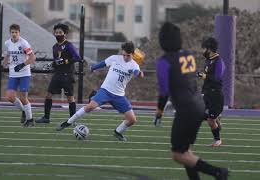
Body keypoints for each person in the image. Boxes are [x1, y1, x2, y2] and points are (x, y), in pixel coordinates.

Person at [156, 22, 228, 180]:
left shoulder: (164, 61)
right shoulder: (187, 54)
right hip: (198, 104)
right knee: (185, 152)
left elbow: (164, 93)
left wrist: (159, 113)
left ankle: (217, 172)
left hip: (186, 110)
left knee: (178, 154)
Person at [56, 41, 144, 141]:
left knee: (132, 120)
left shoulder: (134, 65)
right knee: (90, 106)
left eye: (127, 55)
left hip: (119, 95)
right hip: (105, 90)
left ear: (133, 54)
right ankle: (68, 122)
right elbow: (104, 63)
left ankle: (118, 132)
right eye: (123, 55)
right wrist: (93, 67)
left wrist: (139, 74)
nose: (124, 57)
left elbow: (137, 72)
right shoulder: (115, 58)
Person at [35, 23, 81, 124]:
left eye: (60, 32)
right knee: (48, 95)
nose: (58, 34)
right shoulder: (54, 47)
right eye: (56, 32)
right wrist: (52, 64)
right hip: (57, 74)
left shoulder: (69, 45)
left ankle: (72, 120)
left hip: (67, 75)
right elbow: (57, 61)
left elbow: (77, 57)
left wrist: (65, 61)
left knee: (70, 98)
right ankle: (46, 118)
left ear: (65, 33)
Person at [2, 24, 36, 127]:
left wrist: (22, 65)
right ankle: (24, 111)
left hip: (24, 73)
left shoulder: (23, 43)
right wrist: (4, 62)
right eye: (12, 32)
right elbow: (8, 54)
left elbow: (32, 57)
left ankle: (30, 120)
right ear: (10, 33)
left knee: (23, 97)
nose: (14, 34)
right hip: (13, 73)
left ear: (19, 33)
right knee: (10, 97)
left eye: (16, 32)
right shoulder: (7, 43)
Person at [197, 37, 225, 147]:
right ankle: (216, 118)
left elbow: (217, 78)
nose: (202, 51)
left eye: (203, 48)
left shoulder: (219, 61)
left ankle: (217, 140)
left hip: (215, 95)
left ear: (209, 49)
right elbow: (206, 77)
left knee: (210, 121)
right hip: (207, 93)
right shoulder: (208, 60)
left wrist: (204, 75)